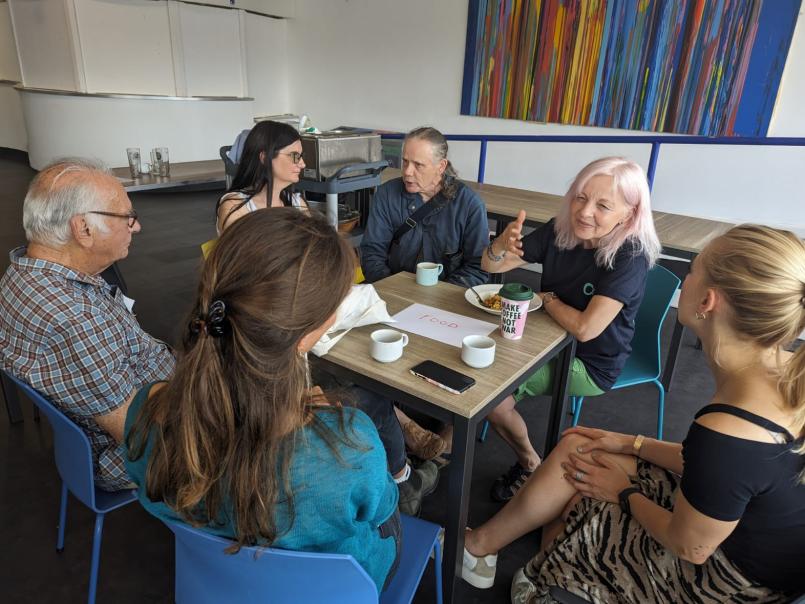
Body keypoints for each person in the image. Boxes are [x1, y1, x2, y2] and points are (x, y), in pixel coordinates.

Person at [460, 224, 805, 604]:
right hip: (735, 531)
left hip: (728, 580)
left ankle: (541, 578)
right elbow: (731, 476)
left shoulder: (729, 431)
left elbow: (691, 547)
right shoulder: (786, 373)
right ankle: (485, 547)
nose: (683, 281)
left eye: (692, 271)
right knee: (581, 448)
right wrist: (630, 443)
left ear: (708, 302)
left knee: (581, 493)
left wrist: (623, 494)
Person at [125, 209, 402, 592]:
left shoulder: (146, 412)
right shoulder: (352, 447)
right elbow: (382, 509)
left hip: (214, 587)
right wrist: (321, 427)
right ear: (306, 335)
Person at [480, 157, 661, 501]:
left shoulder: (630, 255)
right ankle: (449, 434)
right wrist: (499, 244)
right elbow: (491, 264)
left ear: (629, 213)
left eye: (603, 205)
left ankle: (530, 463)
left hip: (590, 362)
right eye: (580, 197)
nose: (585, 211)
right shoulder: (561, 229)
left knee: (493, 400)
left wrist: (545, 299)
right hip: (543, 338)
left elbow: (585, 329)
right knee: (478, 371)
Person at [0, 158, 175, 491]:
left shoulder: (21, 272)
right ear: (83, 229)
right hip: (139, 449)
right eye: (127, 217)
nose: (136, 227)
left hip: (122, 408)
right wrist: (209, 394)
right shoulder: (75, 318)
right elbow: (138, 433)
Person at [360, 126, 491, 459]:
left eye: (417, 165)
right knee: (358, 356)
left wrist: (438, 299)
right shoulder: (388, 195)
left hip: (447, 305)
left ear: (442, 166)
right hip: (391, 297)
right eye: (404, 161)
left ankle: (446, 429)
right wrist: (394, 293)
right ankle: (404, 423)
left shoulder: (468, 206)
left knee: (468, 363)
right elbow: (372, 252)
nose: (406, 172)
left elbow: (478, 269)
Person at [215, 120, 308, 234]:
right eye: (295, 156)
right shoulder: (236, 208)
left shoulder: (298, 203)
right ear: (264, 158)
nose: (302, 164)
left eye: (301, 156)